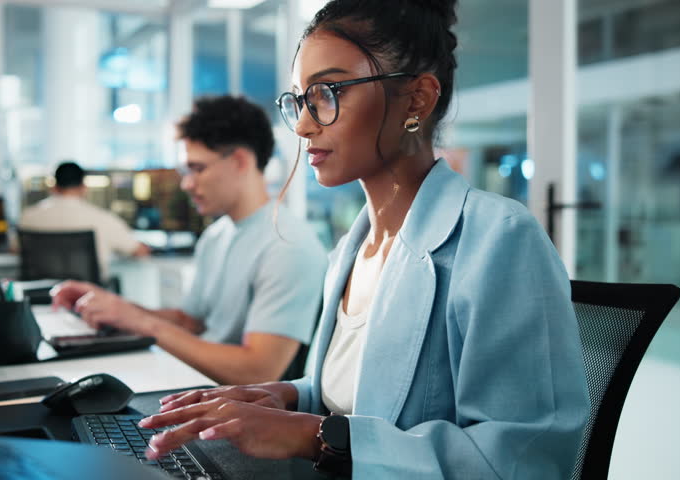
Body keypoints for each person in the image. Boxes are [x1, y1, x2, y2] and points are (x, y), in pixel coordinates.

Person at [137, 1, 591, 478]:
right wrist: (287, 396)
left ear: (417, 99)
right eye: (300, 100)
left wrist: (312, 436)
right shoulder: (353, 249)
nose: (305, 124)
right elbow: (355, 401)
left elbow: (525, 461)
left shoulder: (499, 238)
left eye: (327, 93)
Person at [50, 96, 328, 385]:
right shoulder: (217, 235)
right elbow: (189, 323)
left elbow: (258, 371)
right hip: (198, 386)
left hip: (238, 408)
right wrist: (114, 307)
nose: (186, 183)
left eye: (197, 169)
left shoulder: (287, 245)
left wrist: (145, 324)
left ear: (239, 161)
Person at [19, 161, 150, 282]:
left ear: (54, 187)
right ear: (84, 187)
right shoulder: (103, 219)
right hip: (88, 297)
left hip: (41, 294)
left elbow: (15, 248)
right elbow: (139, 251)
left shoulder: (28, 216)